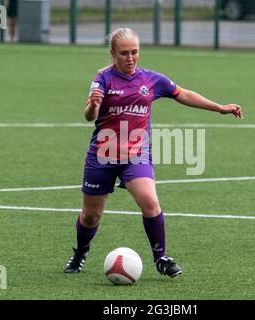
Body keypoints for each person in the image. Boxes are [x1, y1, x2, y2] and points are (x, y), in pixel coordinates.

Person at [64, 28, 243, 277]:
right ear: (113, 53)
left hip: (136, 153)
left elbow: (184, 94)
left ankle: (161, 258)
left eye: (135, 52)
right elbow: (89, 116)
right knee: (91, 216)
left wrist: (219, 108)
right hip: (102, 153)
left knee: (150, 202)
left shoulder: (151, 79)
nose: (130, 58)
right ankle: (80, 253)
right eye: (124, 53)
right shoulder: (102, 78)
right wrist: (93, 104)